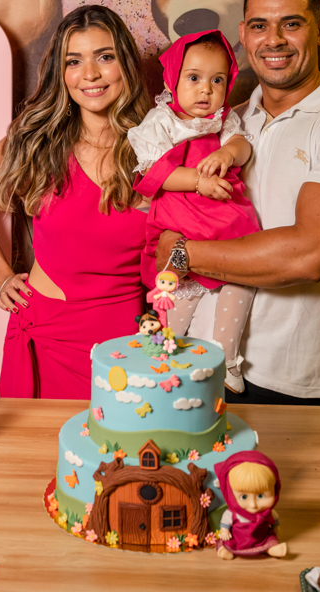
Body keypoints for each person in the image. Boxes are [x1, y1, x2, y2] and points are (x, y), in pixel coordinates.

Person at [156, 0, 320, 405]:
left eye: (291, 23)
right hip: (196, 363)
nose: (274, 40)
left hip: (290, 379)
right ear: (243, 36)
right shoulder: (226, 123)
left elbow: (308, 254)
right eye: (259, 26)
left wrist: (181, 254)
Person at [0, 5, 153, 399]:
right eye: (73, 61)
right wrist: (2, 275)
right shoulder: (35, 142)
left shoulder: (158, 145)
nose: (90, 74)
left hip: (127, 341)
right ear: (60, 73)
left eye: (105, 57)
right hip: (45, 333)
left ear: (126, 65)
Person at [127, 30, 260, 393]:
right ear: (172, 81)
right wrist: (199, 182)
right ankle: (164, 352)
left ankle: (227, 356)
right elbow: (155, 172)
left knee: (241, 277)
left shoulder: (224, 120)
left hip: (224, 215)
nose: (206, 90)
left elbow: (243, 145)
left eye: (217, 80)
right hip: (181, 215)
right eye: (194, 78)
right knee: (178, 288)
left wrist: (229, 152)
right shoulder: (161, 121)